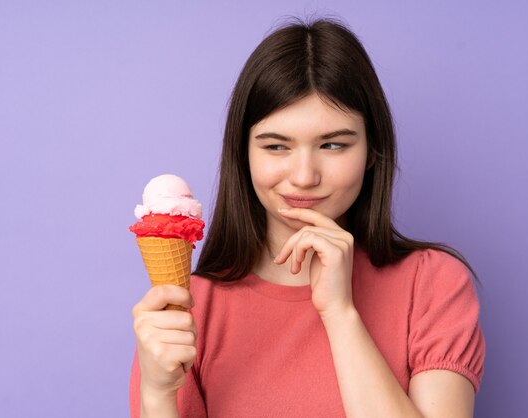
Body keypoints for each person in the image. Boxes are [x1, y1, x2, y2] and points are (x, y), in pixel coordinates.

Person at [130, 16, 485, 418]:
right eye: (277, 146)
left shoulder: (434, 284)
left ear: (371, 151)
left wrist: (340, 313)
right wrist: (157, 395)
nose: (304, 177)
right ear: (243, 155)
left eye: (332, 144)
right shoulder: (187, 310)